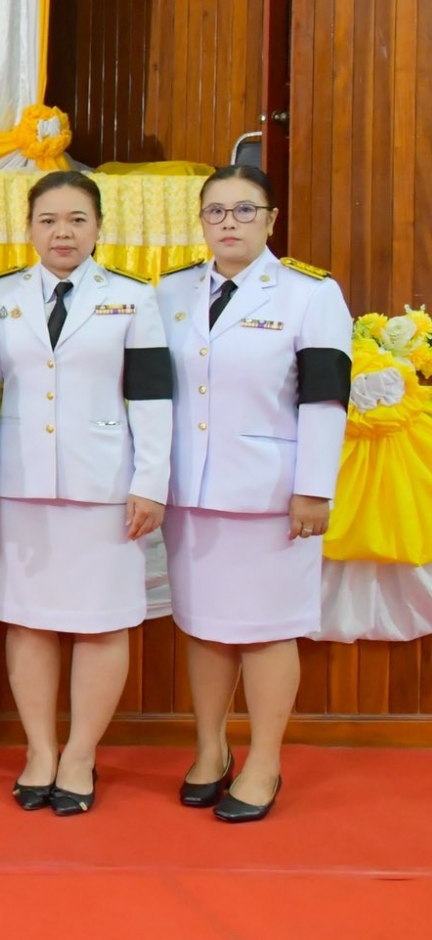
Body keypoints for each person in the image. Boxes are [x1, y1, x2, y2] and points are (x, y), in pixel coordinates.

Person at [157, 165, 350, 823]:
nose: (229, 223)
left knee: (268, 632)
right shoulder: (172, 292)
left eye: (244, 210)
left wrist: (314, 489)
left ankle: (264, 761)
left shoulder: (309, 294)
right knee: (205, 628)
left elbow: (326, 397)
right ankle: (210, 751)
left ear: (270, 219)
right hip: (191, 491)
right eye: (216, 212)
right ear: (202, 221)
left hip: (272, 496)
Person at [0, 171, 173, 816]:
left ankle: (81, 753)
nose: (63, 232)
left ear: (98, 228)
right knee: (29, 620)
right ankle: (39, 750)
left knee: (101, 623)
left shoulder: (133, 299)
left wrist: (150, 483)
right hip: (22, 485)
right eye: (49, 221)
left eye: (77, 220)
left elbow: (151, 397)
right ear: (29, 228)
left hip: (105, 488)